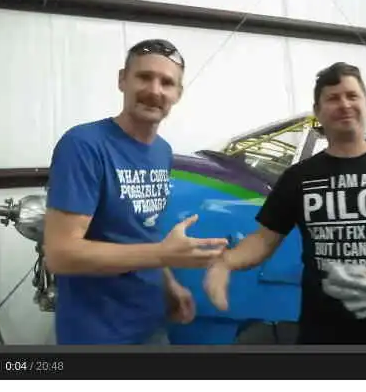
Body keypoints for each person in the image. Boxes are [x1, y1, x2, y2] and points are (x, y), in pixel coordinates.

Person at [204, 62, 366, 344]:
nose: (344, 104)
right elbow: (263, 240)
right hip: (321, 333)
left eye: (352, 96)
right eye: (333, 98)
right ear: (318, 112)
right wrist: (225, 263)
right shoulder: (299, 177)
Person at [43, 39, 228, 345]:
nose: (155, 90)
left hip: (151, 323)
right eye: (144, 77)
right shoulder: (84, 145)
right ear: (122, 80)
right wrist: (162, 254)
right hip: (97, 335)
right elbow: (61, 255)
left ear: (178, 94)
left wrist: (169, 284)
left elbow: (143, 232)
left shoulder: (162, 151)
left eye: (166, 82)